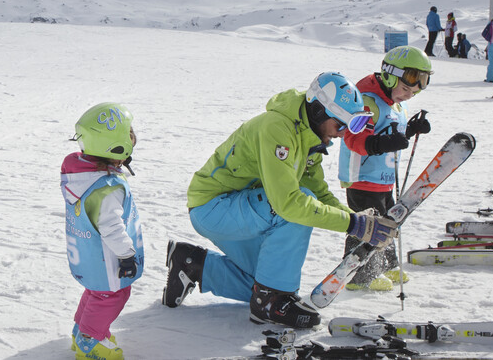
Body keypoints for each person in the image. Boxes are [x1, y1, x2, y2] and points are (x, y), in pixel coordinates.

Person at [162, 72, 394, 329]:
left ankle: (191, 264)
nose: (342, 134)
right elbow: (288, 204)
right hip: (213, 207)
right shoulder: (277, 128)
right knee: (296, 206)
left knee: (261, 277)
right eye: (341, 125)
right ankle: (272, 301)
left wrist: (360, 221)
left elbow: (320, 193)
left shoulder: (309, 138)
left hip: (242, 209)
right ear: (318, 112)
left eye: (351, 127)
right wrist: (353, 224)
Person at [338, 47, 433, 292]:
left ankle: (386, 264)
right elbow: (354, 139)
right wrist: (382, 143)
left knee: (389, 221)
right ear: (389, 76)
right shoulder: (368, 102)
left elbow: (391, 133)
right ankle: (359, 275)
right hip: (363, 178)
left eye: (414, 92)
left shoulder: (394, 102)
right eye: (405, 89)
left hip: (384, 179)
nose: (408, 95)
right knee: (368, 225)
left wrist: (410, 131)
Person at [63, 103, 143, 360]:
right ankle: (90, 341)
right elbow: (111, 227)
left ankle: (82, 330)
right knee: (112, 294)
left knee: (96, 292)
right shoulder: (107, 187)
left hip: (89, 255)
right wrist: (127, 254)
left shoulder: (84, 176)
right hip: (106, 256)